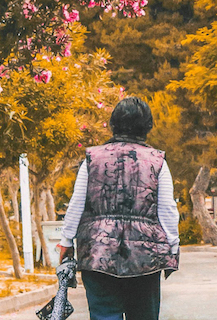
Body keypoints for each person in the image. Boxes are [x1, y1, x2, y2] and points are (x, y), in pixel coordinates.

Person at [57, 97, 180, 320]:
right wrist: (172, 246)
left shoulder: (92, 158)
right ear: (148, 126)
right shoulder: (157, 161)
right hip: (145, 258)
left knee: (104, 314)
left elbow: (77, 203)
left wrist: (66, 241)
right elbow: (167, 209)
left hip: (97, 253)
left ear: (114, 124)